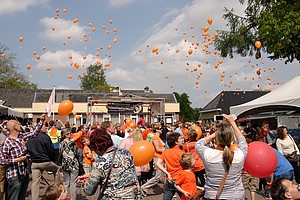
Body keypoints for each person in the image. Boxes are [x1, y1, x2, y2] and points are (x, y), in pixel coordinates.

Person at [195, 114, 247, 200]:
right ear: (231, 139)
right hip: (235, 196)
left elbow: (199, 144)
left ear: (216, 139)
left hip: (213, 196)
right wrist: (232, 122)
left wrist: (217, 133)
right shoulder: (239, 155)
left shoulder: (209, 155)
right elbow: (242, 140)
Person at [78, 128, 141, 199]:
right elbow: (117, 172)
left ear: (97, 146)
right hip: (133, 196)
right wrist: (90, 174)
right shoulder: (126, 153)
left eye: (93, 148)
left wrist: (84, 183)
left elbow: (89, 191)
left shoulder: (100, 162)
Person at [0, 115, 44, 200]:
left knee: (21, 197)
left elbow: (34, 133)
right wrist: (16, 160)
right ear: (14, 127)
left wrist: (41, 121)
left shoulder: (21, 138)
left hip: (24, 174)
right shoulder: (7, 143)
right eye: (19, 124)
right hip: (14, 176)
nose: (22, 126)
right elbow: (2, 161)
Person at [26, 121, 60, 200]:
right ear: (41, 127)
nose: (47, 128)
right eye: (45, 126)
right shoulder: (45, 137)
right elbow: (51, 150)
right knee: (58, 169)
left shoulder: (30, 138)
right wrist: (51, 159)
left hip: (34, 163)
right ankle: (57, 191)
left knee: (35, 182)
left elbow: (27, 149)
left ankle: (34, 198)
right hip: (45, 161)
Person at [156, 132, 185, 200]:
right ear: (176, 142)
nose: (182, 140)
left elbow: (158, 163)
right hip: (180, 180)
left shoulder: (166, 152)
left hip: (170, 179)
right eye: (180, 138)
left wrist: (167, 173)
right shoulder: (182, 153)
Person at [141, 123, 165, 196]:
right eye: (160, 129)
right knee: (158, 176)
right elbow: (157, 149)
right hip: (157, 158)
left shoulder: (158, 138)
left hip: (161, 158)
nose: (162, 130)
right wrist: (166, 150)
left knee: (163, 175)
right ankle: (144, 187)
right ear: (157, 130)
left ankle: (169, 190)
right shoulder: (155, 138)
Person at [59, 128, 79, 200]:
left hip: (65, 164)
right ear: (66, 135)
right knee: (73, 183)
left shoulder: (60, 144)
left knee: (66, 182)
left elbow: (60, 154)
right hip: (74, 164)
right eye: (69, 133)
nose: (71, 134)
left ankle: (65, 198)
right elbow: (76, 153)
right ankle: (73, 198)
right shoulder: (72, 143)